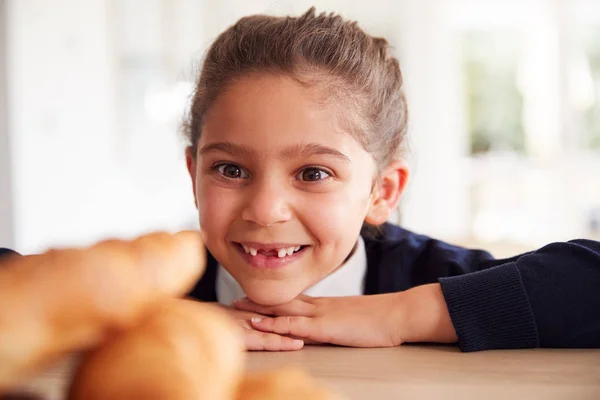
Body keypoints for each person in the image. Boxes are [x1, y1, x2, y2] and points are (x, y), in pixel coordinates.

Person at [181, 7, 600, 352]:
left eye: (313, 173)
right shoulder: (154, 285)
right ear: (193, 173)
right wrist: (161, 323)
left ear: (382, 191)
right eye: (230, 170)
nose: (265, 209)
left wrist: (403, 314)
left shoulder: (430, 276)